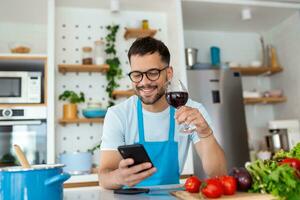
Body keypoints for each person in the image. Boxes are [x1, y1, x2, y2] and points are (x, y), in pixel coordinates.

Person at [98, 37, 226, 189]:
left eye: (152, 73)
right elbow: (104, 178)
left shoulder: (193, 111)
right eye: (137, 75)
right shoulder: (118, 115)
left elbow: (219, 174)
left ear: (169, 73)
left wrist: (205, 133)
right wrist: (117, 177)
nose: (144, 82)